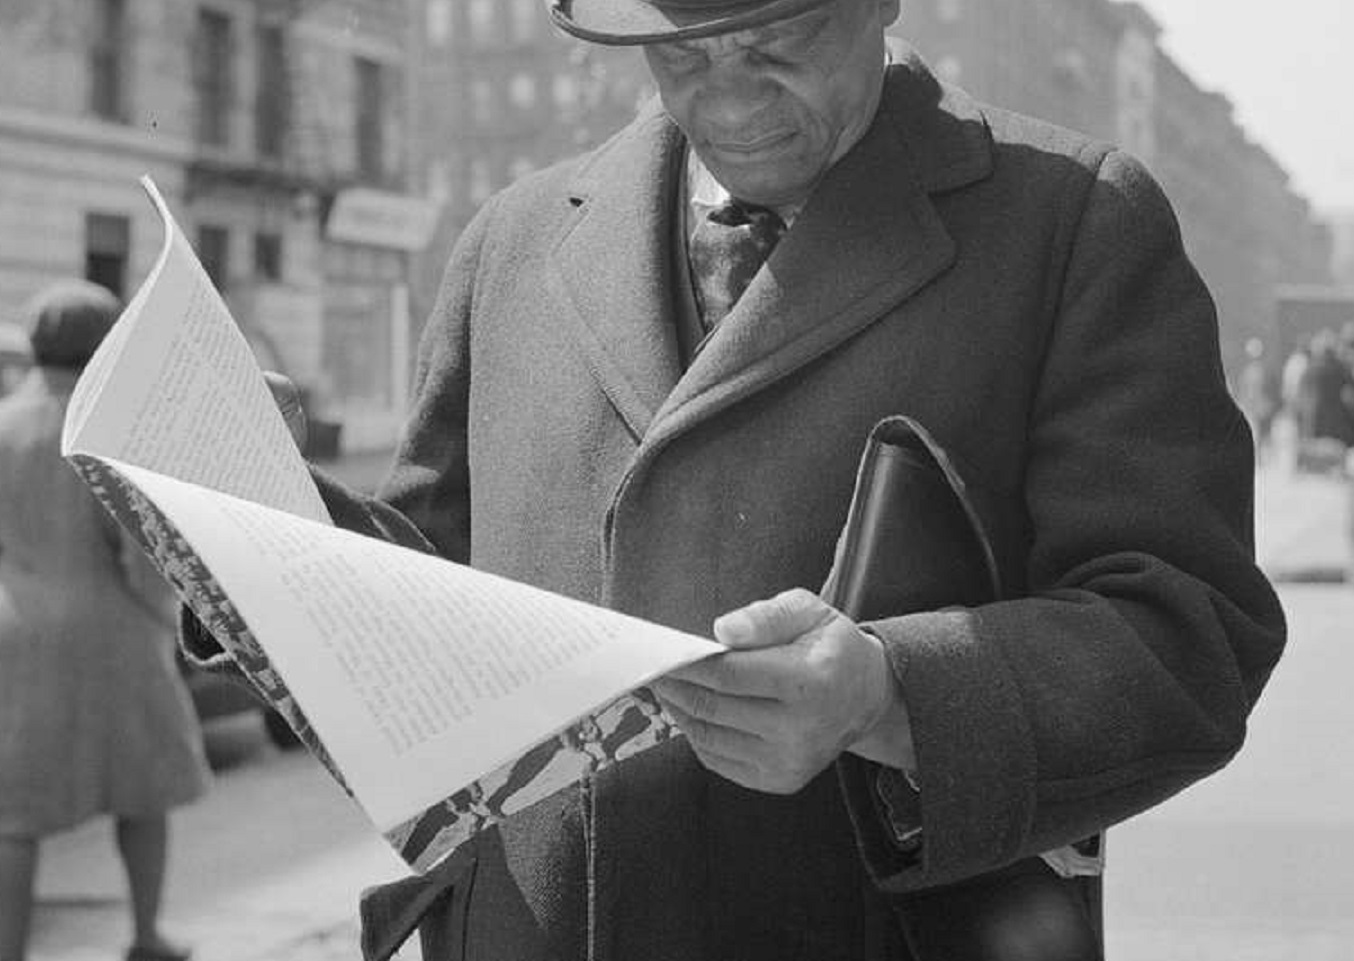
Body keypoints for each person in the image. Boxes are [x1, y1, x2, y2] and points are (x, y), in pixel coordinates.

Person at [209, 0, 1287, 956]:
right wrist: (259, 520)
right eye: (681, 54)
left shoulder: (1074, 221)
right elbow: (429, 589)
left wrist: (889, 695)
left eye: (778, 44)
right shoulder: (511, 242)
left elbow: (1187, 630)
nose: (727, 101)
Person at [0, 282, 208, 961]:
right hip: (114, 633)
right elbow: (140, 555)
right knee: (141, 792)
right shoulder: (105, 430)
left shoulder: (4, 423)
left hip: (15, 630)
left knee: (13, 814)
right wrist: (168, 620)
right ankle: (146, 935)